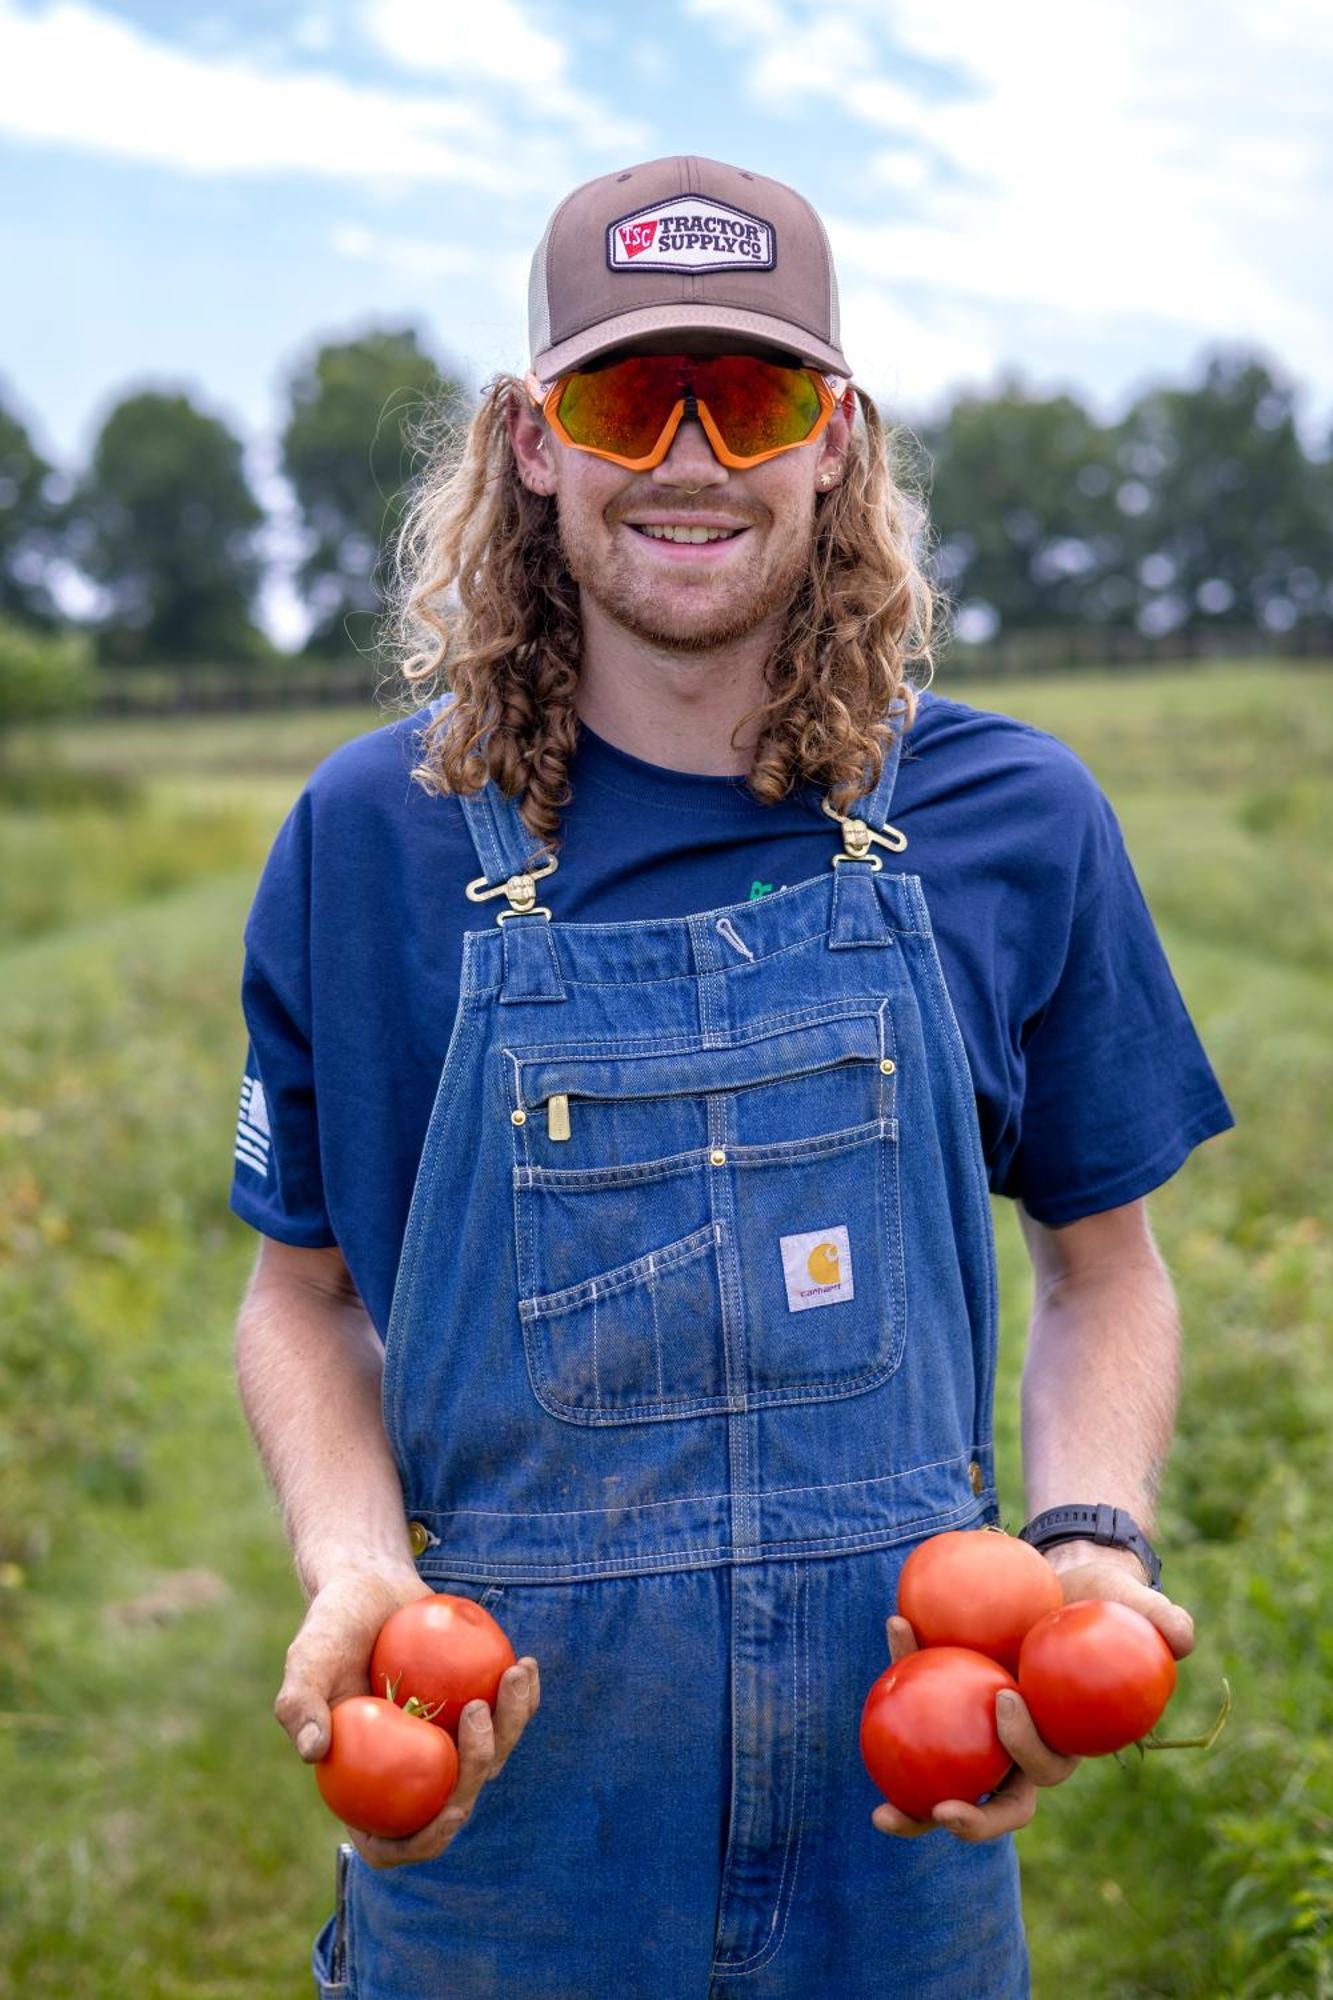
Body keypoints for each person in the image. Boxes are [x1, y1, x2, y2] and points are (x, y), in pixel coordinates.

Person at [229, 155, 1233, 1999]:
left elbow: (1107, 1265)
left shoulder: (1013, 819)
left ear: (832, 438)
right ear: (533, 442)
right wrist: (356, 1564)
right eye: (628, 394)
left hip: (899, 1840)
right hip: (510, 1820)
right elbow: (300, 1302)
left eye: (750, 393)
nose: (689, 456)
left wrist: (1084, 1540)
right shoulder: (372, 840)